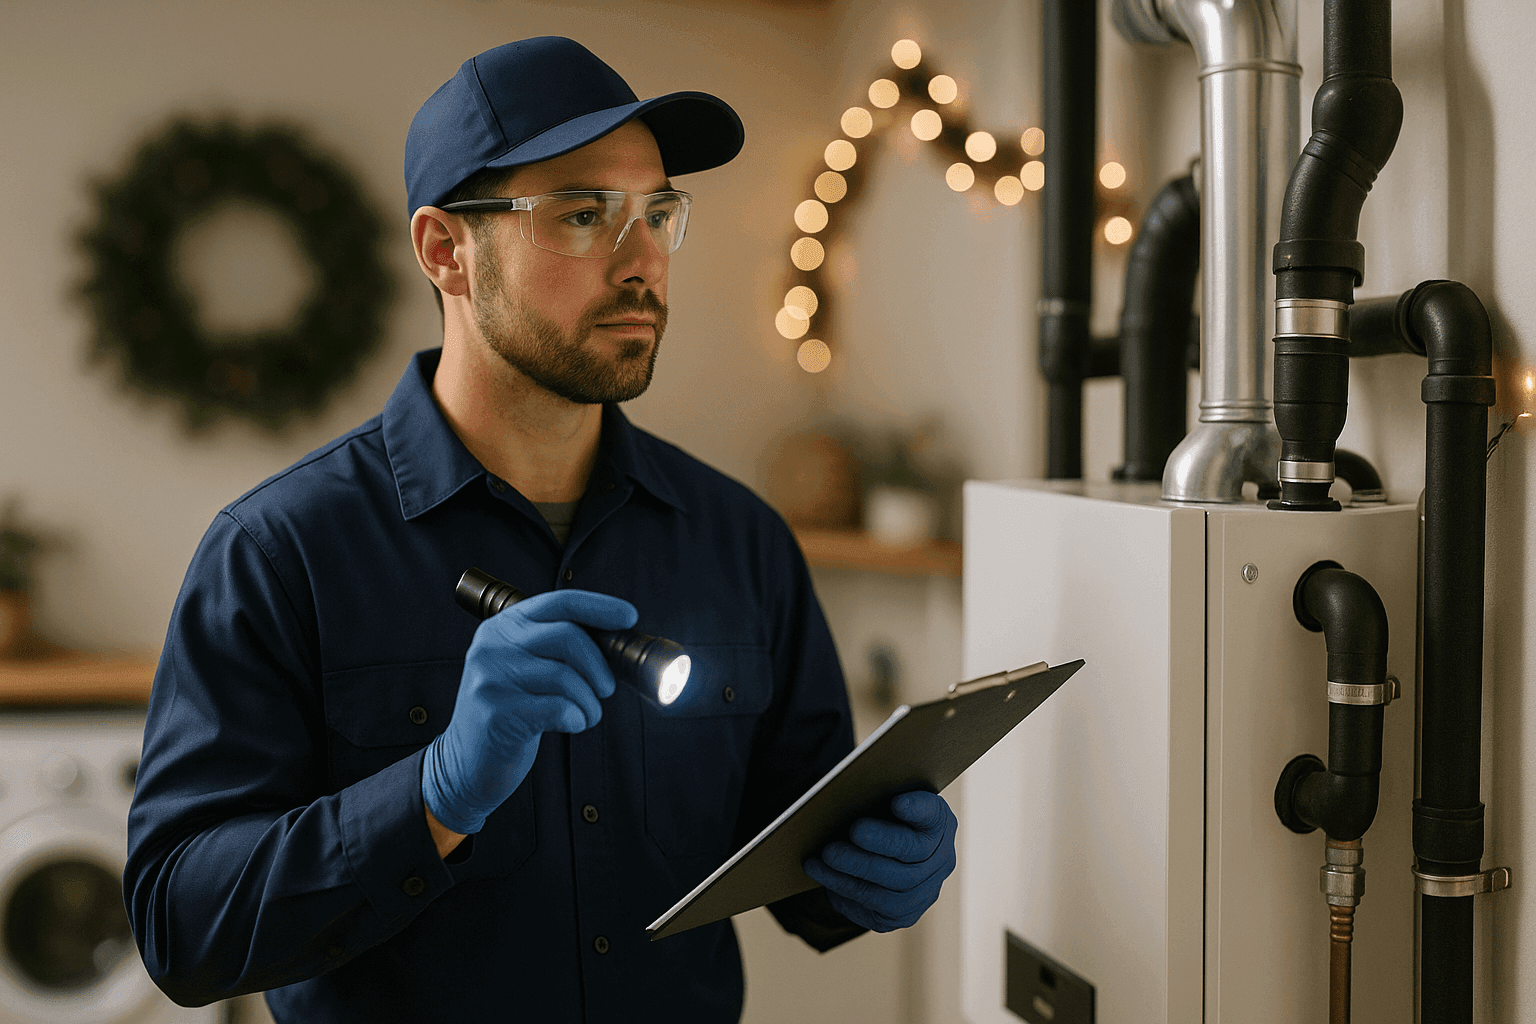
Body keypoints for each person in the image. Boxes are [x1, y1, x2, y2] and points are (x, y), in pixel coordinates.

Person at [124, 36, 956, 1022]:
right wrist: (434, 796)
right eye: (582, 214)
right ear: (446, 251)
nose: (642, 260)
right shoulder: (280, 552)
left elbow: (800, 851)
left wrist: (876, 871)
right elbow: (181, 929)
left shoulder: (743, 542)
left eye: (658, 213)